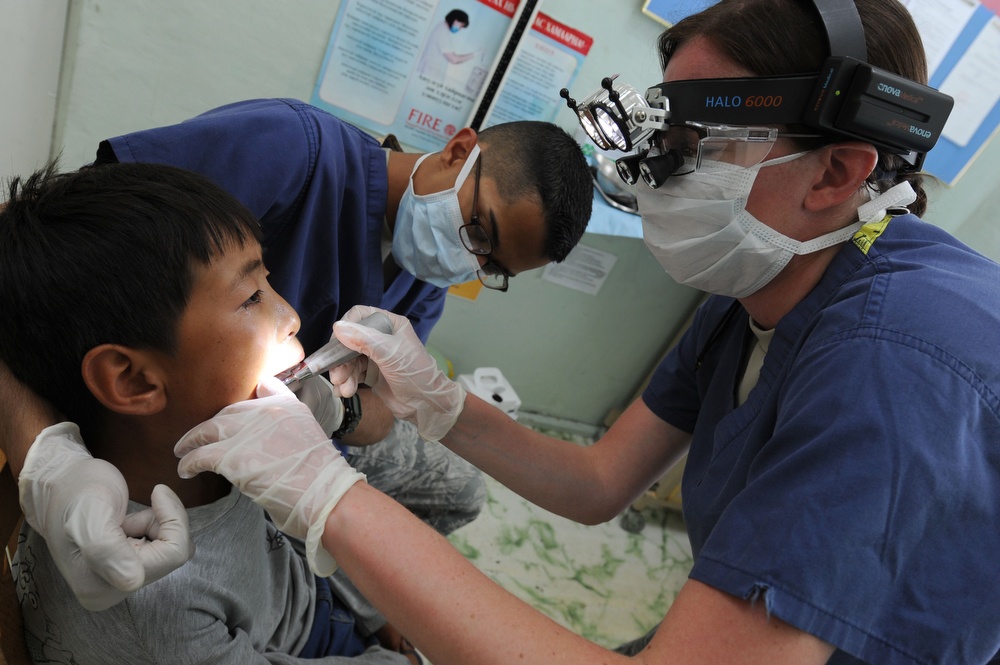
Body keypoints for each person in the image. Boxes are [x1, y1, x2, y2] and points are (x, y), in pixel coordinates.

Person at [168, 0, 1000, 663]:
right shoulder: (758, 283)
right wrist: (437, 400)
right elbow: (599, 482)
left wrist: (327, 495)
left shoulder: (897, 365)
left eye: (689, 151)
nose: (653, 184)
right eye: (650, 144)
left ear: (836, 172)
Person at [0, 98, 594, 609]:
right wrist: (45, 460)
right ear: (458, 150)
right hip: (165, 435)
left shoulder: (423, 279)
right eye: (481, 231)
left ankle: (333, 608)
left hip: (277, 432)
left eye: (491, 267)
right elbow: (51, 243)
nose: (471, 261)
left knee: (461, 490)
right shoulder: (292, 150)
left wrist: (341, 411)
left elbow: (386, 407)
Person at [1, 161, 419, 664]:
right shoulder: (156, 616)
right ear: (133, 380)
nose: (291, 317)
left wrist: (376, 606)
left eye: (269, 280)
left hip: (293, 592)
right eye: (251, 298)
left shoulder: (202, 422)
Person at [417, 10, 476, 83]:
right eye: (461, 26)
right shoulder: (443, 32)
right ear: (455, 20)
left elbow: (453, 55)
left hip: (429, 72)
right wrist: (475, 54)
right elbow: (454, 59)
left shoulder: (442, 27)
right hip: (429, 74)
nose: (460, 29)